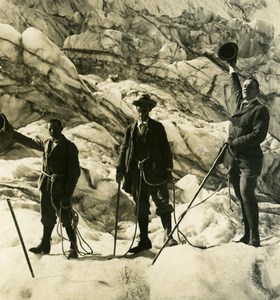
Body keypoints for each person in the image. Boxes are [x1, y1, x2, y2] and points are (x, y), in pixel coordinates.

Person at [6, 118, 81, 258]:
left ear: (61, 128)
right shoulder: (47, 143)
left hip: (61, 188)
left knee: (66, 217)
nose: (52, 131)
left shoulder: (70, 147)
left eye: (55, 128)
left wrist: (67, 194)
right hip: (46, 186)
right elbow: (30, 142)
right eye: (50, 129)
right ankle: (45, 243)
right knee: (47, 216)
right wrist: (12, 133)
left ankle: (73, 246)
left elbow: (74, 173)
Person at [116, 94, 178, 254]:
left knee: (163, 203)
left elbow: (165, 149)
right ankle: (144, 240)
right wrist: (120, 169)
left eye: (146, 106)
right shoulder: (130, 129)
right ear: (136, 108)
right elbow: (124, 150)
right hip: (136, 174)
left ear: (150, 109)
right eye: (139, 106)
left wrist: (168, 170)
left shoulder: (157, 127)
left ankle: (169, 235)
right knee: (141, 207)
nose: (142, 109)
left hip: (156, 172)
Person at [226, 60, 270, 247]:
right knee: (239, 193)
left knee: (246, 192)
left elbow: (258, 135)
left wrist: (235, 143)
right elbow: (235, 88)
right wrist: (232, 69)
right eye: (245, 86)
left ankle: (255, 237)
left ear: (257, 92)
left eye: (250, 87)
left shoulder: (260, 110)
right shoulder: (241, 104)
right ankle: (246, 234)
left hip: (250, 161)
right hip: (235, 158)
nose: (245, 89)